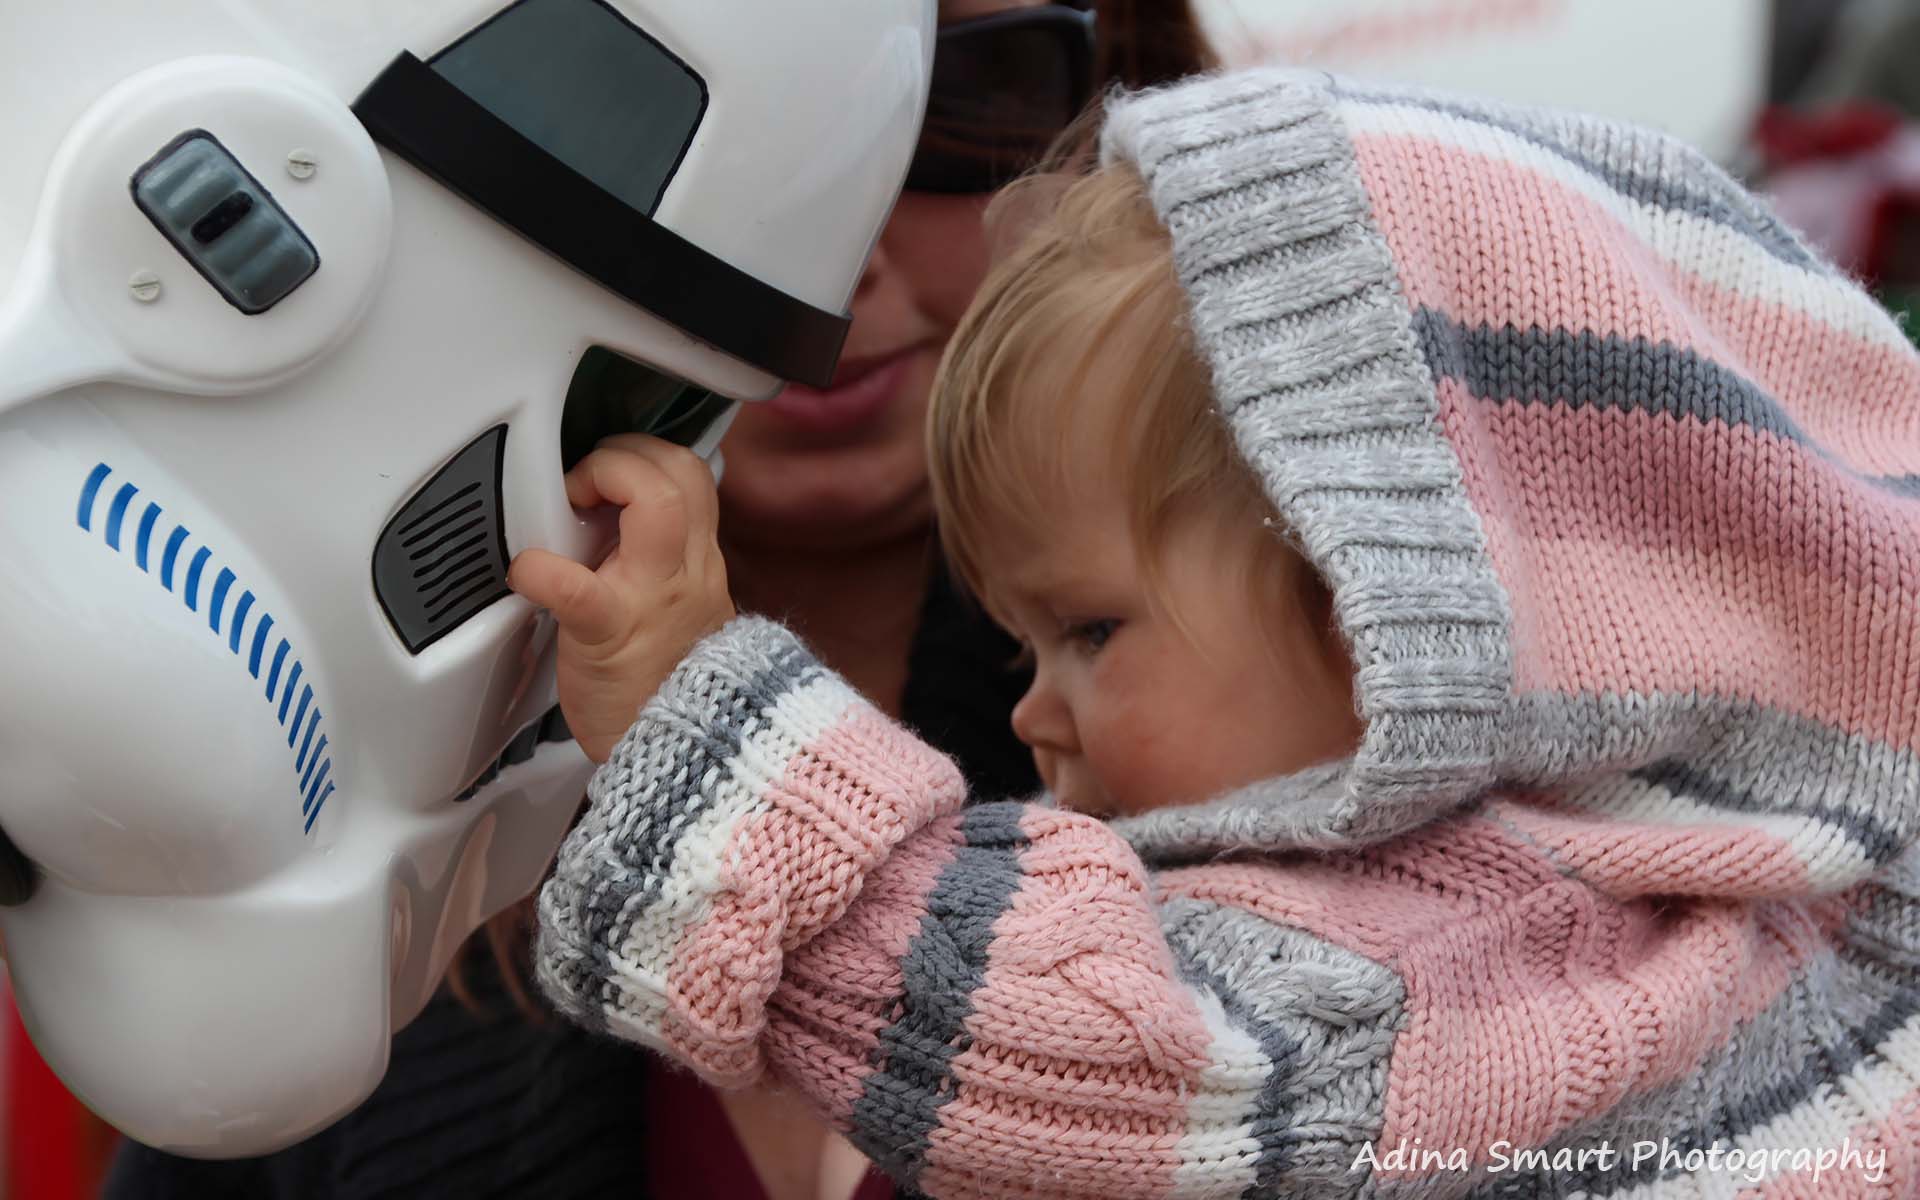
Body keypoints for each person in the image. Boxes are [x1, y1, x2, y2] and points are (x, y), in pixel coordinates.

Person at [515, 66, 1920, 1198]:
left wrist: (704, 741)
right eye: (1024, 650)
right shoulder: (1767, 905)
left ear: (1386, 600)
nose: (1030, 716)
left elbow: (1091, 1040)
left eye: (1089, 629)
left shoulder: (1428, 958)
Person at [103, 3, 1210, 1199]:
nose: (839, 247)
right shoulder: (290, 754)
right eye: (753, 124)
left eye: (969, 97)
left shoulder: (1343, 741)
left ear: (1141, 109)